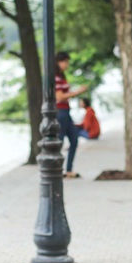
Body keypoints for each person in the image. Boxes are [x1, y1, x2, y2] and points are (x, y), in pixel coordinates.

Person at [55, 51, 88, 179]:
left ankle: (68, 169)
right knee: (60, 141)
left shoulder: (62, 76)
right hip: (60, 111)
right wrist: (77, 92)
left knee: (74, 139)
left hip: (66, 111)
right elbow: (60, 97)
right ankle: (57, 169)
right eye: (65, 62)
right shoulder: (56, 77)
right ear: (59, 62)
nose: (67, 65)